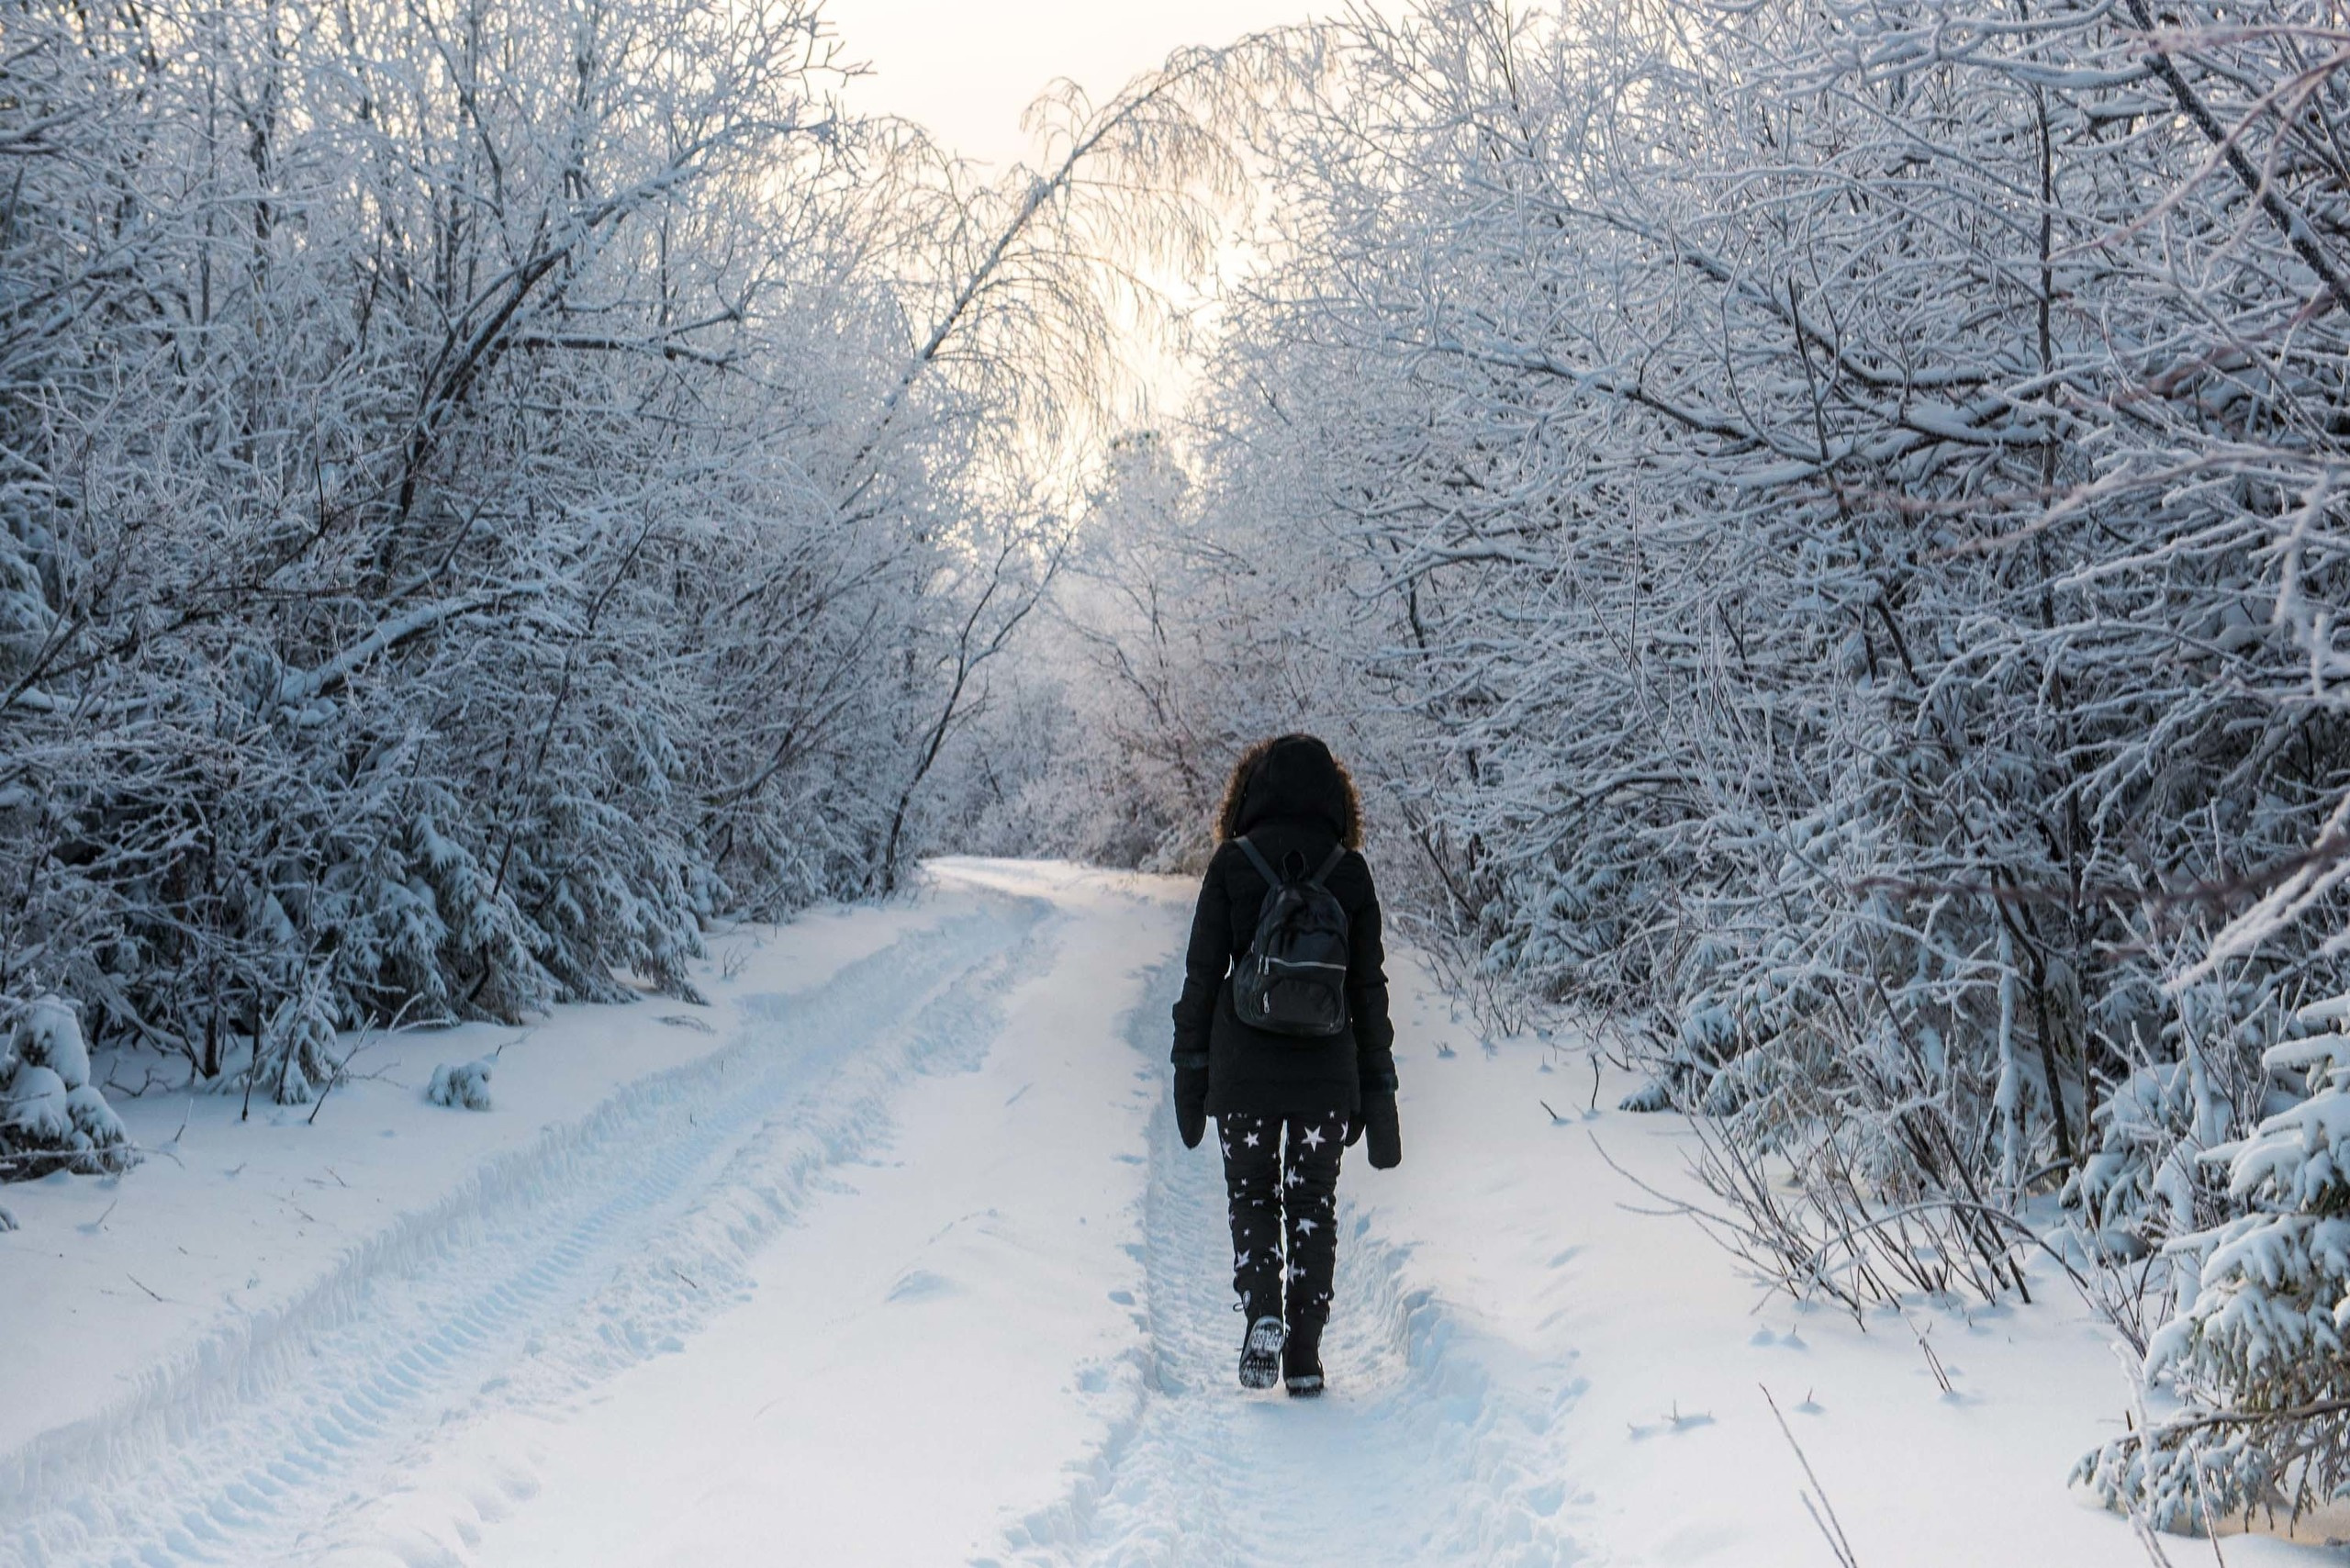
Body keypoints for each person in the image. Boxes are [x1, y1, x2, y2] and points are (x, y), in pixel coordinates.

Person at [1170, 734, 1403, 1398]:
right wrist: (1378, 1089)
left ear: (1247, 793)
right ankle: (1303, 1352)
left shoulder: (1232, 864)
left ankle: (1262, 1312)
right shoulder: (1349, 872)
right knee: (1311, 1202)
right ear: (1337, 798)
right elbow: (1368, 991)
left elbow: (1200, 976)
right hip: (1326, 1079)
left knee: (1251, 1196)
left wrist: (1191, 1068)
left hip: (1241, 1074)